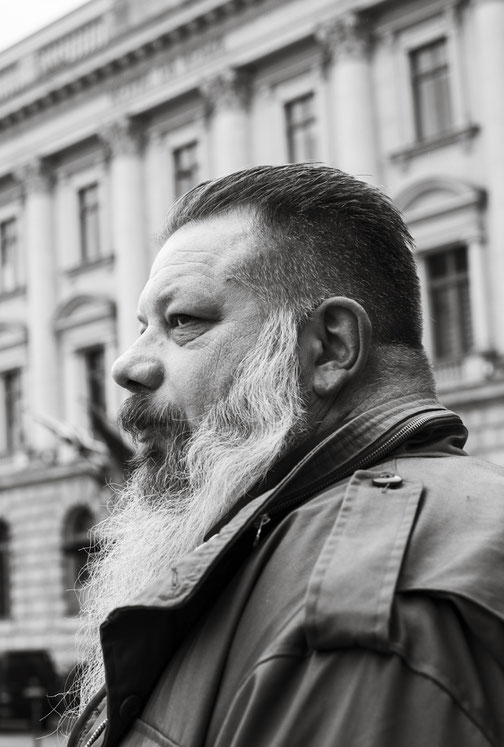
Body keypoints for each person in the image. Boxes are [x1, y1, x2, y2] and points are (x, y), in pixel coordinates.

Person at [68, 164, 504, 747]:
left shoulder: (369, 613)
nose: (127, 365)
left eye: (184, 321)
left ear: (330, 348)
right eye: (144, 326)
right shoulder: (287, 542)